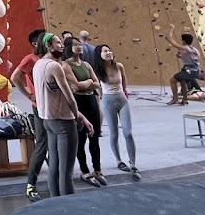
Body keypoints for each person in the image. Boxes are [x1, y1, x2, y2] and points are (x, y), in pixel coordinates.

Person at [33, 33, 93, 197]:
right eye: (58, 43)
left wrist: (80, 116)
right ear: (48, 46)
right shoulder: (54, 67)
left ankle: (55, 203)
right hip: (63, 122)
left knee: (54, 166)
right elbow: (70, 98)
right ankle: (69, 207)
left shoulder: (38, 65)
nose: (61, 45)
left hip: (48, 120)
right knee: (66, 170)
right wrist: (76, 116)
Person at [63, 37, 105, 187]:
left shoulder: (86, 64)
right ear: (69, 47)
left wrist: (85, 84)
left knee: (95, 137)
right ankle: (85, 170)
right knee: (81, 139)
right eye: (75, 45)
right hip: (79, 103)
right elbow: (76, 86)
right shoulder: (66, 65)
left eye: (79, 44)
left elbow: (97, 83)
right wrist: (88, 84)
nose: (79, 47)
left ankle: (98, 169)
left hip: (91, 102)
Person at [11, 28, 47, 202]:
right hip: (39, 107)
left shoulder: (49, 59)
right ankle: (31, 185)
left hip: (53, 107)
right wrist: (29, 95)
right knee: (42, 144)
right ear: (35, 43)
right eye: (44, 39)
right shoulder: (30, 59)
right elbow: (15, 77)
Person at [94, 44, 140, 178]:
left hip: (121, 99)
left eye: (109, 50)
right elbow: (97, 87)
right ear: (99, 55)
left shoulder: (119, 66)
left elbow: (124, 81)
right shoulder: (98, 70)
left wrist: (124, 92)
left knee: (128, 132)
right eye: (105, 51)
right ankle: (119, 160)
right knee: (114, 133)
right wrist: (102, 98)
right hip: (108, 101)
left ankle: (133, 163)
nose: (108, 53)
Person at [163, 24, 205, 105]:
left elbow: (171, 40)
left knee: (172, 80)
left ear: (184, 41)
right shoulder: (195, 50)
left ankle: (175, 99)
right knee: (182, 81)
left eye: (182, 40)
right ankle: (184, 100)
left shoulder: (184, 48)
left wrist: (171, 29)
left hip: (189, 71)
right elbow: (192, 60)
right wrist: (181, 56)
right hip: (195, 71)